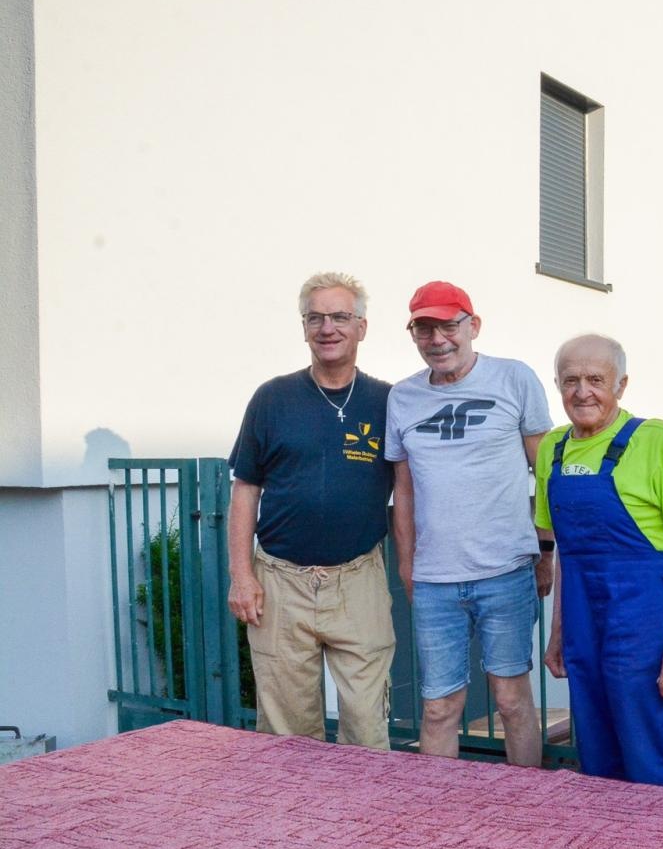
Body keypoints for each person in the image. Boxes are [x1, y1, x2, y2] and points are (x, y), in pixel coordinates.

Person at [386, 280, 554, 766]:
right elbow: (404, 492)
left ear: (473, 326)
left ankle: (526, 812)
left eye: (448, 325)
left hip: (506, 572)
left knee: (512, 701)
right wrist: (406, 568)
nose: (438, 339)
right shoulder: (403, 397)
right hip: (435, 580)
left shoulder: (514, 379)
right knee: (439, 708)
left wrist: (546, 554)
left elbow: (544, 477)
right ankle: (441, 821)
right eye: (424, 328)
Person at [226, 271, 395, 751]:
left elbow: (409, 488)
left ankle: (366, 822)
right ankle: (292, 825)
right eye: (315, 317)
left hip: (358, 579)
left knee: (367, 724)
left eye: (341, 316)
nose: (328, 328)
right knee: (287, 734)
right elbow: (245, 489)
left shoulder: (387, 402)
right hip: (280, 581)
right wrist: (242, 575)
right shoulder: (272, 398)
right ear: (303, 328)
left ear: (362, 326)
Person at [535, 334, 663, 787]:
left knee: (649, 747)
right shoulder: (552, 450)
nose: (582, 391)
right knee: (594, 751)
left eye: (596, 379)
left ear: (622, 384)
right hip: (584, 625)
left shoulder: (654, 439)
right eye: (570, 380)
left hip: (645, 623)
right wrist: (559, 632)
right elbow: (567, 555)